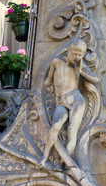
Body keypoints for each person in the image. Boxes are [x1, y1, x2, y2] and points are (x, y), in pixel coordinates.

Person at [40, 39, 99, 167]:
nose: (77, 57)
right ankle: (44, 156)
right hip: (61, 101)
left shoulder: (80, 66)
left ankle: (63, 163)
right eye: (75, 54)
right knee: (56, 125)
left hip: (76, 99)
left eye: (80, 55)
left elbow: (95, 79)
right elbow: (47, 81)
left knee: (72, 130)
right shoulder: (56, 62)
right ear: (69, 51)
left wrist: (82, 72)